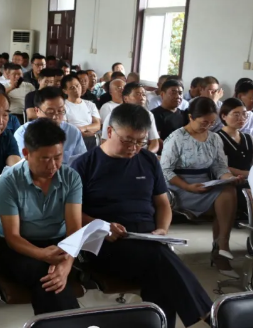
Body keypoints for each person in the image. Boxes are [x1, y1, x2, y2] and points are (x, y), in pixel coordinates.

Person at [71, 104, 212, 328]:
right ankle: (210, 315)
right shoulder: (84, 165)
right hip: (106, 243)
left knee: (160, 275)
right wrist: (102, 226)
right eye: (128, 140)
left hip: (147, 239)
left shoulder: (148, 160)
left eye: (140, 142)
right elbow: (71, 213)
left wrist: (162, 230)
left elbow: (163, 204)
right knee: (161, 262)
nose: (134, 147)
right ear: (110, 132)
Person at [0, 118, 82, 315]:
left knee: (52, 278)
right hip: (19, 249)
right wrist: (43, 255)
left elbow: (74, 230)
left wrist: (66, 264)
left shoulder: (71, 177)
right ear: (26, 153)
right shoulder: (9, 180)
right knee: (46, 277)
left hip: (60, 245)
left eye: (58, 157)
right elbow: (12, 236)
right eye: (45, 159)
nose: (53, 165)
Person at [161, 97, 240, 277]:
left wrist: (229, 178)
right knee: (224, 204)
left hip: (204, 184)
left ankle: (222, 245)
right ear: (191, 117)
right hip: (178, 186)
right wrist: (188, 187)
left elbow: (219, 167)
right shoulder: (176, 138)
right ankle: (220, 252)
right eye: (204, 122)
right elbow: (165, 170)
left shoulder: (214, 138)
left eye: (212, 122)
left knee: (228, 190)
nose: (208, 126)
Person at [14, 87, 86, 165]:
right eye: (50, 112)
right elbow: (23, 164)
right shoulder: (22, 133)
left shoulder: (73, 132)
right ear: (37, 111)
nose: (55, 117)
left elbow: (82, 162)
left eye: (60, 111)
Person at [217, 98, 252, 219]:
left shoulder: (248, 138)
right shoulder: (217, 138)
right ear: (224, 116)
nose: (241, 118)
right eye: (236, 114)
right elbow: (220, 167)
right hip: (231, 182)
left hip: (249, 180)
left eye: (244, 114)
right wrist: (248, 174)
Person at [101, 82, 160, 153]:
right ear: (125, 98)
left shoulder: (148, 115)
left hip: (142, 153)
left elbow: (154, 142)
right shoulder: (114, 115)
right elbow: (105, 141)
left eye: (144, 95)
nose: (142, 97)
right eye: (137, 94)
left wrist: (147, 155)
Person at [61, 75, 101, 150]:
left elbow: (97, 125)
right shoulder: (62, 106)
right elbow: (65, 128)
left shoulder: (90, 104)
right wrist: (82, 133)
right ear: (65, 91)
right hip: (73, 140)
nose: (76, 89)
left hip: (91, 138)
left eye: (77, 85)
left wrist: (83, 128)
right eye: (72, 88)